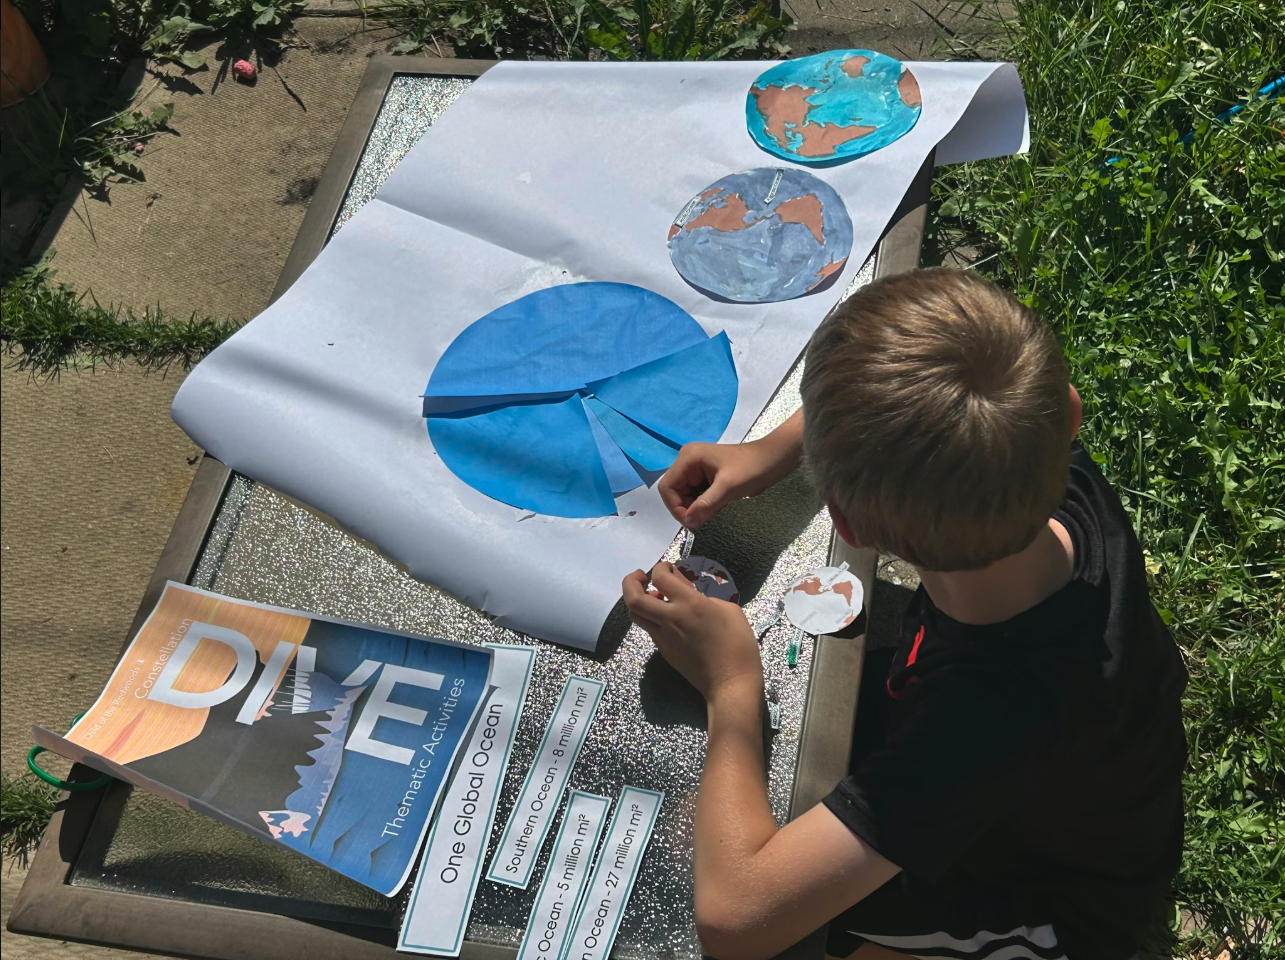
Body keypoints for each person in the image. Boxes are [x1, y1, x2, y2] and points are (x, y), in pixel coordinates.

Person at [621, 268, 1187, 960]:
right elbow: (934, 407)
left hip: (1060, 903)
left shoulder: (985, 719)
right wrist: (773, 452)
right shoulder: (1052, 471)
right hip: (1084, 779)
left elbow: (734, 921)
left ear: (847, 529)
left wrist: (731, 687)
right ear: (1067, 415)